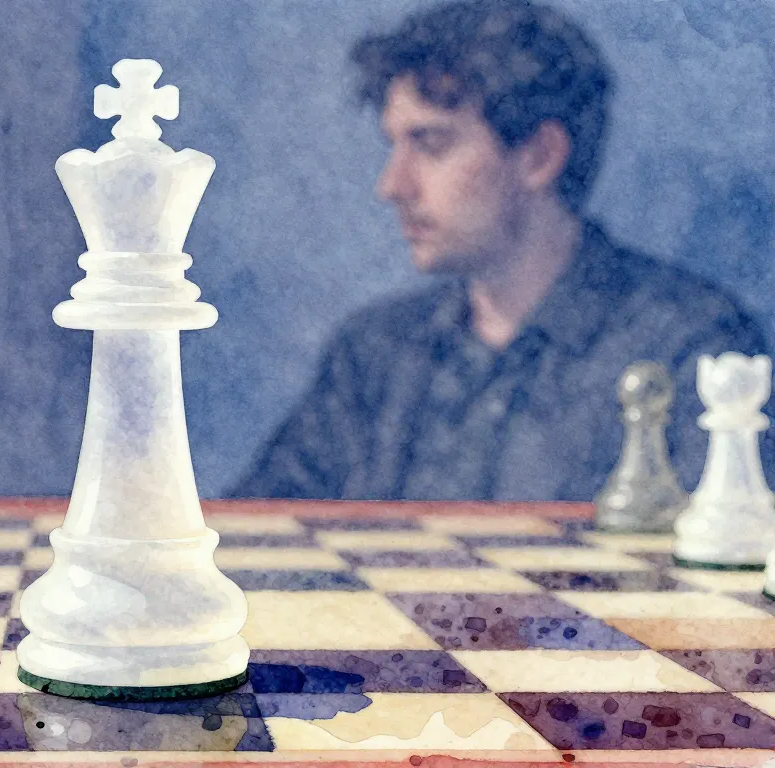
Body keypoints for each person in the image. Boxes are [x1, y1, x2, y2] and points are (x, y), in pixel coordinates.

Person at [229, 0, 771, 501]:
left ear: (539, 156)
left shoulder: (690, 348)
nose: (392, 185)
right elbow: (252, 540)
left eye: (431, 144)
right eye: (395, 146)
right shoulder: (374, 354)